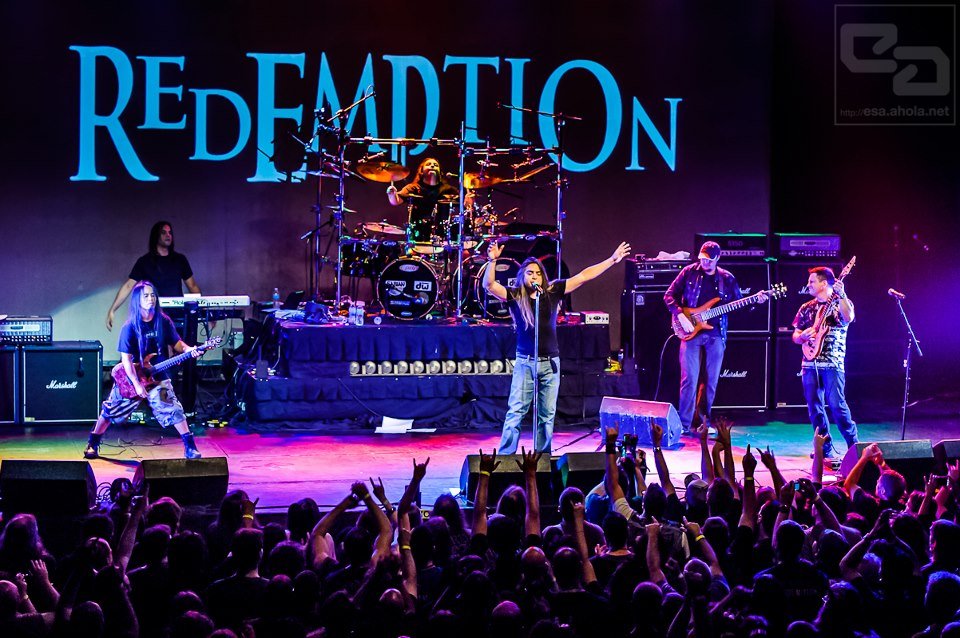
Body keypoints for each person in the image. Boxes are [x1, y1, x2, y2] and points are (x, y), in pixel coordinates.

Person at [483, 240, 631, 454]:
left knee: (546, 414)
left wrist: (612, 260)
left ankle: (542, 457)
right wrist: (492, 261)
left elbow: (583, 276)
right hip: (525, 362)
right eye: (530, 273)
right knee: (516, 411)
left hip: (550, 363)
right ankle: (506, 456)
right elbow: (489, 285)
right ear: (522, 276)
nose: (534, 277)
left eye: (538, 273)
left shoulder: (552, 292)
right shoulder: (515, 296)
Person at [86, 280, 202, 460]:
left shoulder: (163, 321)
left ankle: (190, 447)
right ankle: (92, 444)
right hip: (132, 376)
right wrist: (137, 385)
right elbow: (126, 360)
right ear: (137, 300)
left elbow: (177, 343)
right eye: (146, 296)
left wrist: (189, 350)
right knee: (111, 410)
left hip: (157, 376)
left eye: (153, 295)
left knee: (173, 408)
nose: (150, 299)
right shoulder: (129, 327)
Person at [664, 241, 766, 436]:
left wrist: (755, 301)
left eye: (709, 260)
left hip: (716, 333)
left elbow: (739, 307)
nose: (705, 263)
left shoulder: (726, 278)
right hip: (690, 332)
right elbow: (669, 295)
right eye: (702, 259)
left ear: (717, 258)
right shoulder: (689, 272)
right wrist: (680, 315)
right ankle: (684, 424)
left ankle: (702, 422)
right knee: (689, 379)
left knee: (710, 381)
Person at [792, 266, 857, 465]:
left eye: (812, 281)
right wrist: (801, 337)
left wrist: (843, 294)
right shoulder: (806, 307)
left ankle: (854, 447)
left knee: (837, 406)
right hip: (809, 363)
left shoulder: (841, 303)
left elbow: (849, 317)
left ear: (823, 283)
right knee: (815, 408)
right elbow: (795, 334)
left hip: (832, 364)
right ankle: (824, 449)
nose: (808, 285)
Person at [106, 221, 201, 330]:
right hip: (154, 316)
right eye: (164, 232)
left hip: (178, 316)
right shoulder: (144, 261)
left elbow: (192, 286)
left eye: (170, 233)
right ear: (156, 236)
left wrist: (204, 311)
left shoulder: (180, 260)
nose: (168, 235)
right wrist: (112, 309)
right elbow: (128, 286)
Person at [386, 157, 472, 248]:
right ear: (421, 171)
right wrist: (391, 193)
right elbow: (396, 201)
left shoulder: (449, 189)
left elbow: (464, 206)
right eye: (428, 164)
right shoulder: (413, 188)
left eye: (435, 165)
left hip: (443, 235)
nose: (432, 166)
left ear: (440, 171)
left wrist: (468, 202)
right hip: (419, 233)